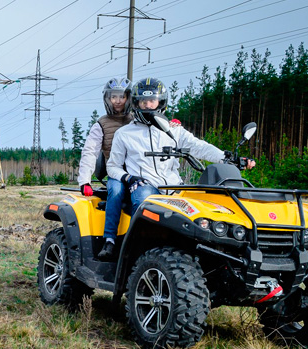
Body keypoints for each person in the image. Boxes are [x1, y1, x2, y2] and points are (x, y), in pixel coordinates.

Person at [105, 77, 254, 259]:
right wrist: (130, 178)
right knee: (145, 200)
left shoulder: (174, 130)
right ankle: (136, 254)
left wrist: (225, 157)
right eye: (143, 101)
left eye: (152, 101)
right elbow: (112, 166)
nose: (148, 106)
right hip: (144, 185)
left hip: (175, 187)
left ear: (161, 102)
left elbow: (199, 147)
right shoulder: (124, 133)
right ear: (136, 103)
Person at [77, 78, 132, 260]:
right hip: (115, 173)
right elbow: (90, 152)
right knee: (115, 191)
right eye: (113, 97)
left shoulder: (137, 120)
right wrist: (84, 180)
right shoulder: (101, 124)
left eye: (121, 96)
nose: (117, 101)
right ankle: (109, 240)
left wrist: (171, 125)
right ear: (107, 99)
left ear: (128, 98)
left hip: (139, 172)